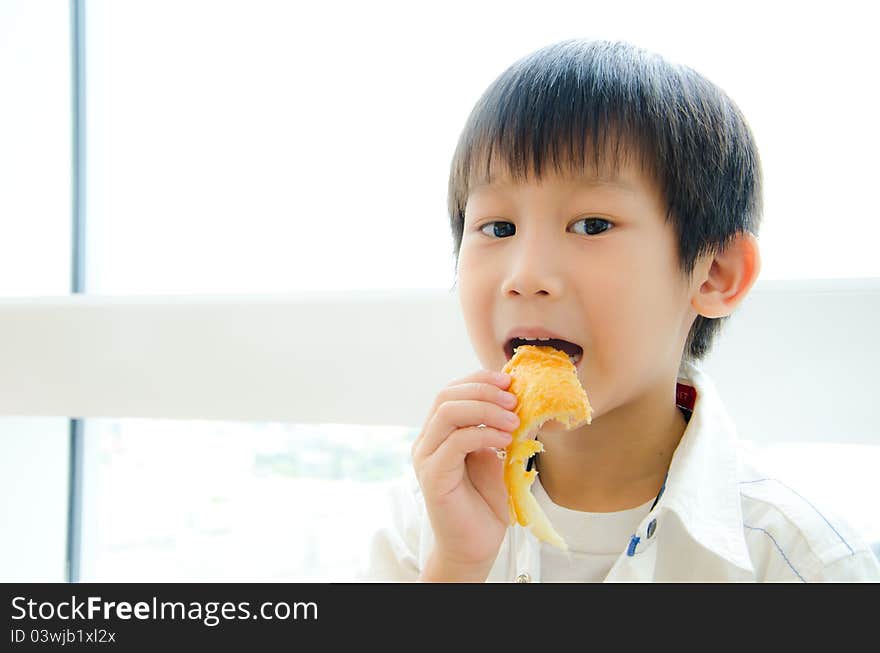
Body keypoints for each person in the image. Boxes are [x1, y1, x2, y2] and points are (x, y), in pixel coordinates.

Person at [360, 39, 880, 582]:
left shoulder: (800, 558)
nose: (526, 276)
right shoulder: (424, 521)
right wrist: (457, 567)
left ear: (714, 274)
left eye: (592, 225)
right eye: (499, 228)